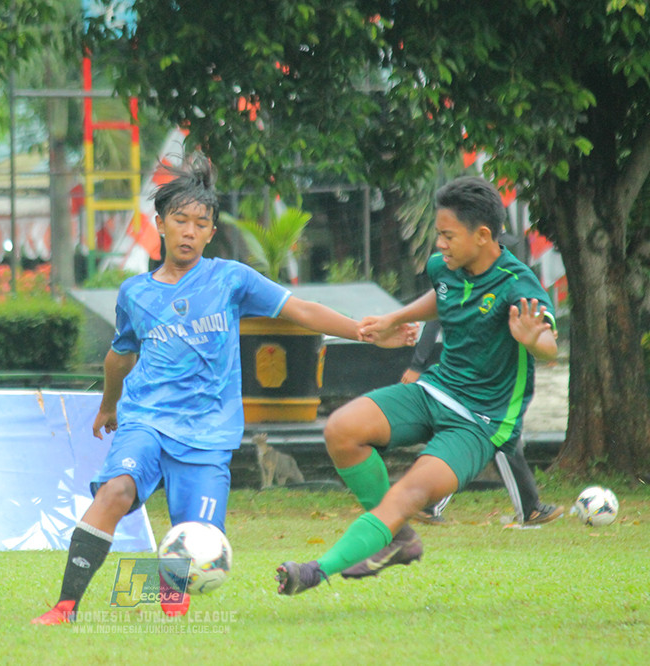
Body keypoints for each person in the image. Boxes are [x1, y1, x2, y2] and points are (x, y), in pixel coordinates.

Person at [32, 154, 417, 625]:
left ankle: (172, 601)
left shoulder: (230, 278)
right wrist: (108, 405)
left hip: (208, 434)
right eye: (180, 221)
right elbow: (119, 356)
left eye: (201, 223)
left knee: (195, 539)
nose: (190, 231)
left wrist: (363, 329)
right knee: (114, 491)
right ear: (161, 225)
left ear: (212, 232)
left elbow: (301, 311)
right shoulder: (135, 292)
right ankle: (65, 606)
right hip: (145, 421)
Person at [275, 175, 558, 595]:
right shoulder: (443, 266)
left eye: (447, 235)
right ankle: (398, 538)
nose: (440, 244)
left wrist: (537, 342)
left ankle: (317, 570)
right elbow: (441, 295)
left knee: (410, 492)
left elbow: (548, 343)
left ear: (483, 236)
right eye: (438, 234)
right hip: (435, 390)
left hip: (479, 421)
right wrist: (395, 318)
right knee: (341, 429)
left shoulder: (518, 284)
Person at [404, 319, 564, 527]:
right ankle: (529, 508)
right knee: (496, 434)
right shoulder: (461, 289)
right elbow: (434, 321)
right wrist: (417, 365)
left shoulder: (502, 292)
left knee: (482, 436)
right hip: (475, 376)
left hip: (491, 375)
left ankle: (427, 504)